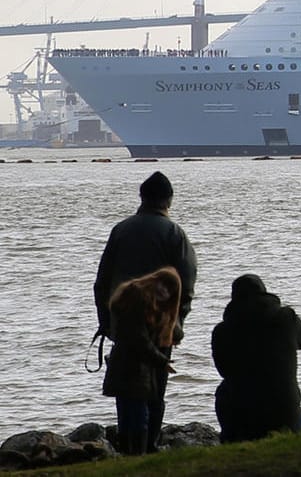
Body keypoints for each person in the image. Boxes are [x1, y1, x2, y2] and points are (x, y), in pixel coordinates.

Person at [93, 170, 197, 455]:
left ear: (142, 197)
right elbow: (185, 285)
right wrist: (176, 324)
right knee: (154, 388)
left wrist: (106, 321)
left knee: (127, 385)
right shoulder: (175, 234)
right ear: (169, 200)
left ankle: (129, 445)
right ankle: (149, 445)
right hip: (159, 327)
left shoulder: (121, 230)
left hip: (123, 323)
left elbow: (102, 281)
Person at [211, 274, 301, 443]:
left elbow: (223, 370)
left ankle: (230, 438)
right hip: (284, 412)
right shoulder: (285, 318)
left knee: (224, 390)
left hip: (242, 413)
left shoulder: (221, 332)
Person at [101, 266, 182, 456]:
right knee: (137, 414)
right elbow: (139, 339)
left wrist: (173, 331)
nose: (166, 292)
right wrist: (162, 361)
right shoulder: (138, 300)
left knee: (129, 413)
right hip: (133, 367)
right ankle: (137, 455)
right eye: (165, 287)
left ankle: (130, 454)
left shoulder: (139, 298)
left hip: (126, 365)